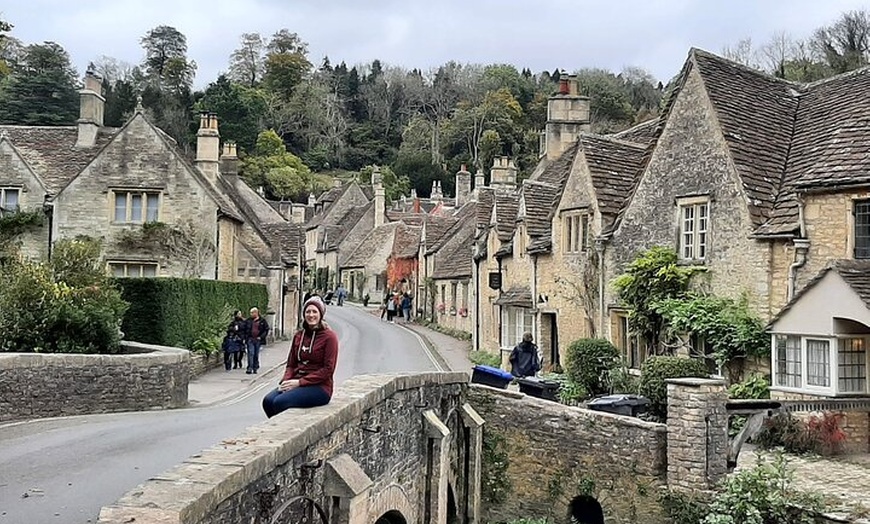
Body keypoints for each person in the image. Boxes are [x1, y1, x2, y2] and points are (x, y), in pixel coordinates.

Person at [262, 296, 338, 418]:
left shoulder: (329, 337)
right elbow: (291, 364)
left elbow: (328, 369)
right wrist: (286, 380)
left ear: (321, 315)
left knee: (280, 402)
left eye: (314, 312)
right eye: (308, 311)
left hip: (319, 387)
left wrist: (300, 382)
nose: (311, 315)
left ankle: (284, 433)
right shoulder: (299, 335)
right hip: (296, 381)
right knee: (268, 401)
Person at [244, 307, 270, 374]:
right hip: (250, 339)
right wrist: (245, 337)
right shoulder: (248, 320)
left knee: (256, 354)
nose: (251, 314)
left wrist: (261, 337)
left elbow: (266, 329)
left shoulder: (262, 321)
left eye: (252, 313)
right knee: (251, 353)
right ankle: (249, 368)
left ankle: (255, 367)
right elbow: (244, 329)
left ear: (256, 313)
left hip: (258, 340)